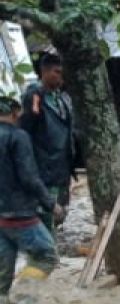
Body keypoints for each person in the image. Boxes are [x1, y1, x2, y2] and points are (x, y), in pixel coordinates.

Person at [0, 96, 60, 304]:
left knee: (3, 271)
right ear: (15, 113)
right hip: (20, 212)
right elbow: (29, 177)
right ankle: (21, 295)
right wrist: (51, 204)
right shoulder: (18, 137)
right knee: (47, 256)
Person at [19, 52, 76, 237]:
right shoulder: (35, 97)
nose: (61, 76)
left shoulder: (62, 98)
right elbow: (25, 131)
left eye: (62, 72)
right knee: (45, 215)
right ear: (44, 71)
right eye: (57, 72)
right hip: (43, 169)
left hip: (61, 170)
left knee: (60, 214)